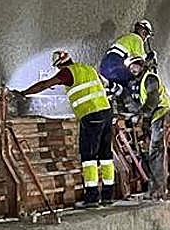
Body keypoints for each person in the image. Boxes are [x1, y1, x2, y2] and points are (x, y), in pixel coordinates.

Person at [15, 50, 114, 206]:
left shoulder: (67, 72)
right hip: (106, 112)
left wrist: (23, 93)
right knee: (105, 155)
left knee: (89, 157)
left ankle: (92, 197)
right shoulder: (87, 68)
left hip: (91, 115)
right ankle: (108, 196)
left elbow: (45, 84)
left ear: (59, 65)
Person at [136, 57, 170, 199]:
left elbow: (153, 100)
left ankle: (158, 191)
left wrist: (142, 114)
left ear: (142, 66)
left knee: (156, 152)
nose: (133, 69)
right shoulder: (142, 82)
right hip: (159, 117)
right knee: (155, 153)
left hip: (161, 115)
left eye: (136, 65)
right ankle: (158, 189)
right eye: (131, 67)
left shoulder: (150, 78)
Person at [99, 19, 153, 109]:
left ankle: (113, 103)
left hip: (104, 67)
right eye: (146, 36)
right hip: (116, 66)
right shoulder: (137, 39)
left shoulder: (126, 38)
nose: (145, 39)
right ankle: (131, 107)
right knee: (135, 79)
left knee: (117, 87)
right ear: (144, 32)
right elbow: (140, 61)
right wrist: (150, 57)